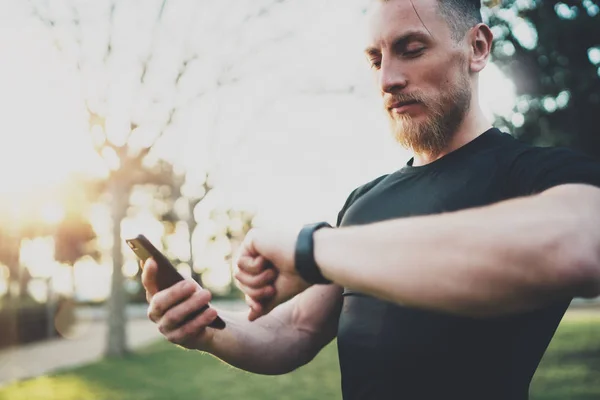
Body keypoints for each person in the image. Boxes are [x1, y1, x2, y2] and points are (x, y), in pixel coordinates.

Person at [142, 0, 600, 398]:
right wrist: (206, 326)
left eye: (411, 49)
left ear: (477, 47)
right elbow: (294, 329)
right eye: (374, 59)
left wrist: (310, 247)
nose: (388, 79)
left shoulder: (537, 174)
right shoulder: (363, 201)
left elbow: (581, 245)